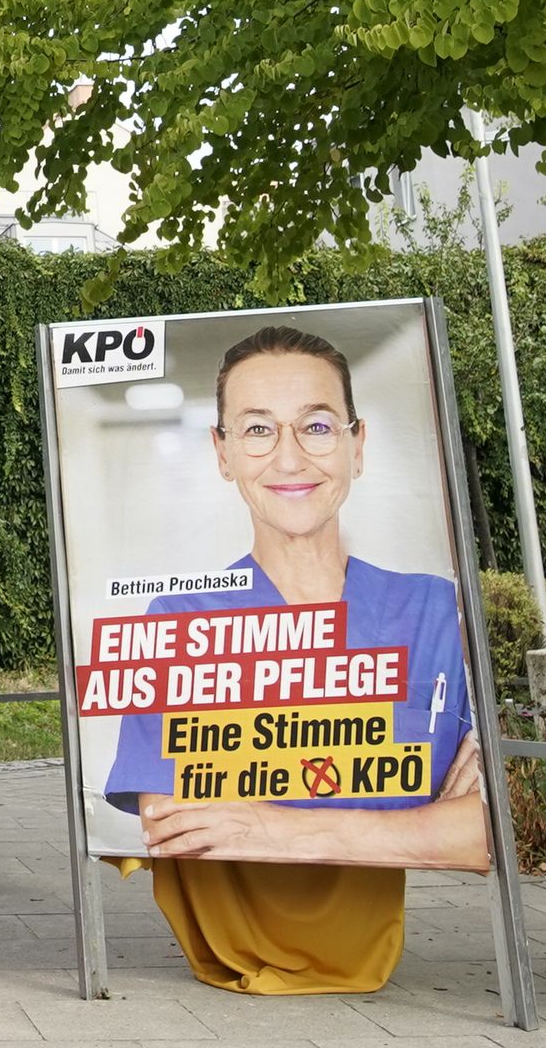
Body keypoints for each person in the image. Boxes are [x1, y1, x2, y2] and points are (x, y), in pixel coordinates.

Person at [98, 324, 485, 867]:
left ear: (357, 445)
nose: (289, 458)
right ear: (223, 452)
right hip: (233, 937)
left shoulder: (437, 610)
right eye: (258, 430)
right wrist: (418, 826)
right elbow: (177, 828)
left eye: (318, 426)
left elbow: (492, 829)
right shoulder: (178, 623)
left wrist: (266, 822)